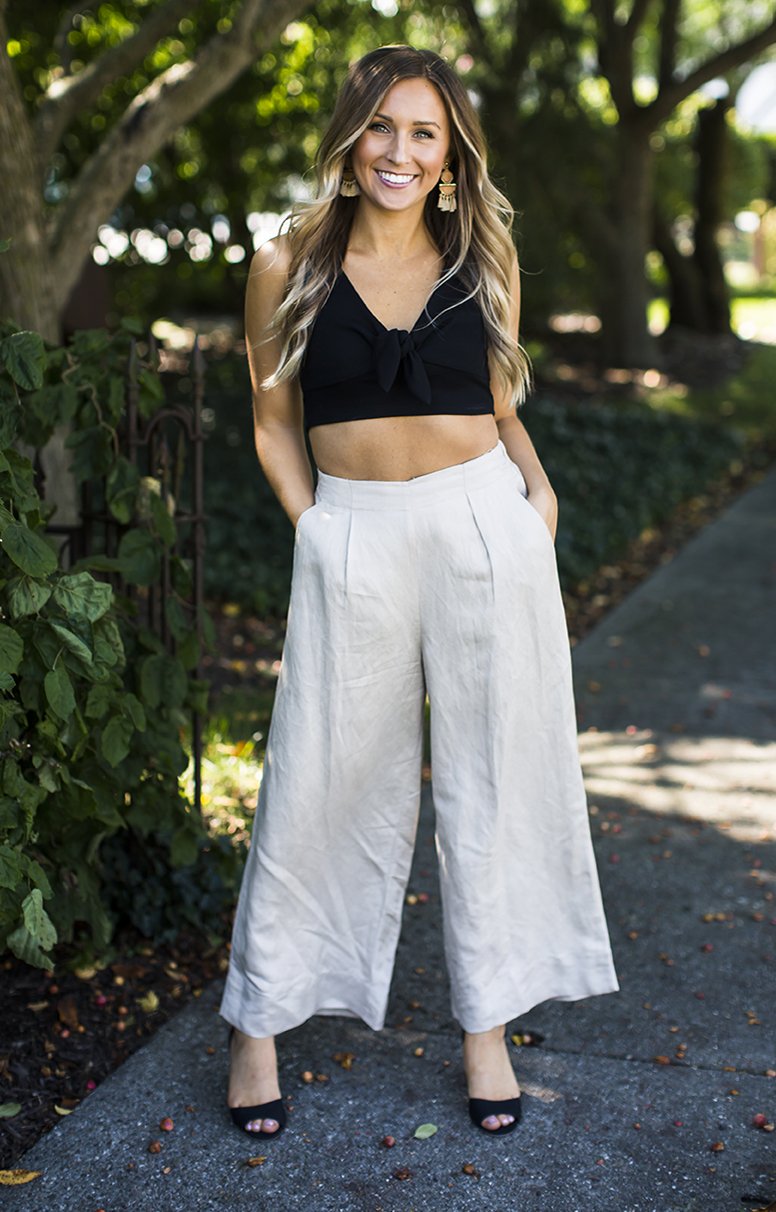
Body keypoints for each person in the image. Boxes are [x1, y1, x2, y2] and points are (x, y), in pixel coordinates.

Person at [219, 43, 619, 1140]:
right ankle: (256, 1024)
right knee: (317, 775)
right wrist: (317, 533)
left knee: (498, 782)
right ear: (351, 138)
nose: (399, 151)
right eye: (382, 127)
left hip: (485, 523)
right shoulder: (284, 261)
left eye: (423, 132)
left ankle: (485, 1027)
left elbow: (499, 409)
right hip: (353, 532)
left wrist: (535, 506)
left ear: (449, 156)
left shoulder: (482, 256)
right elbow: (270, 421)